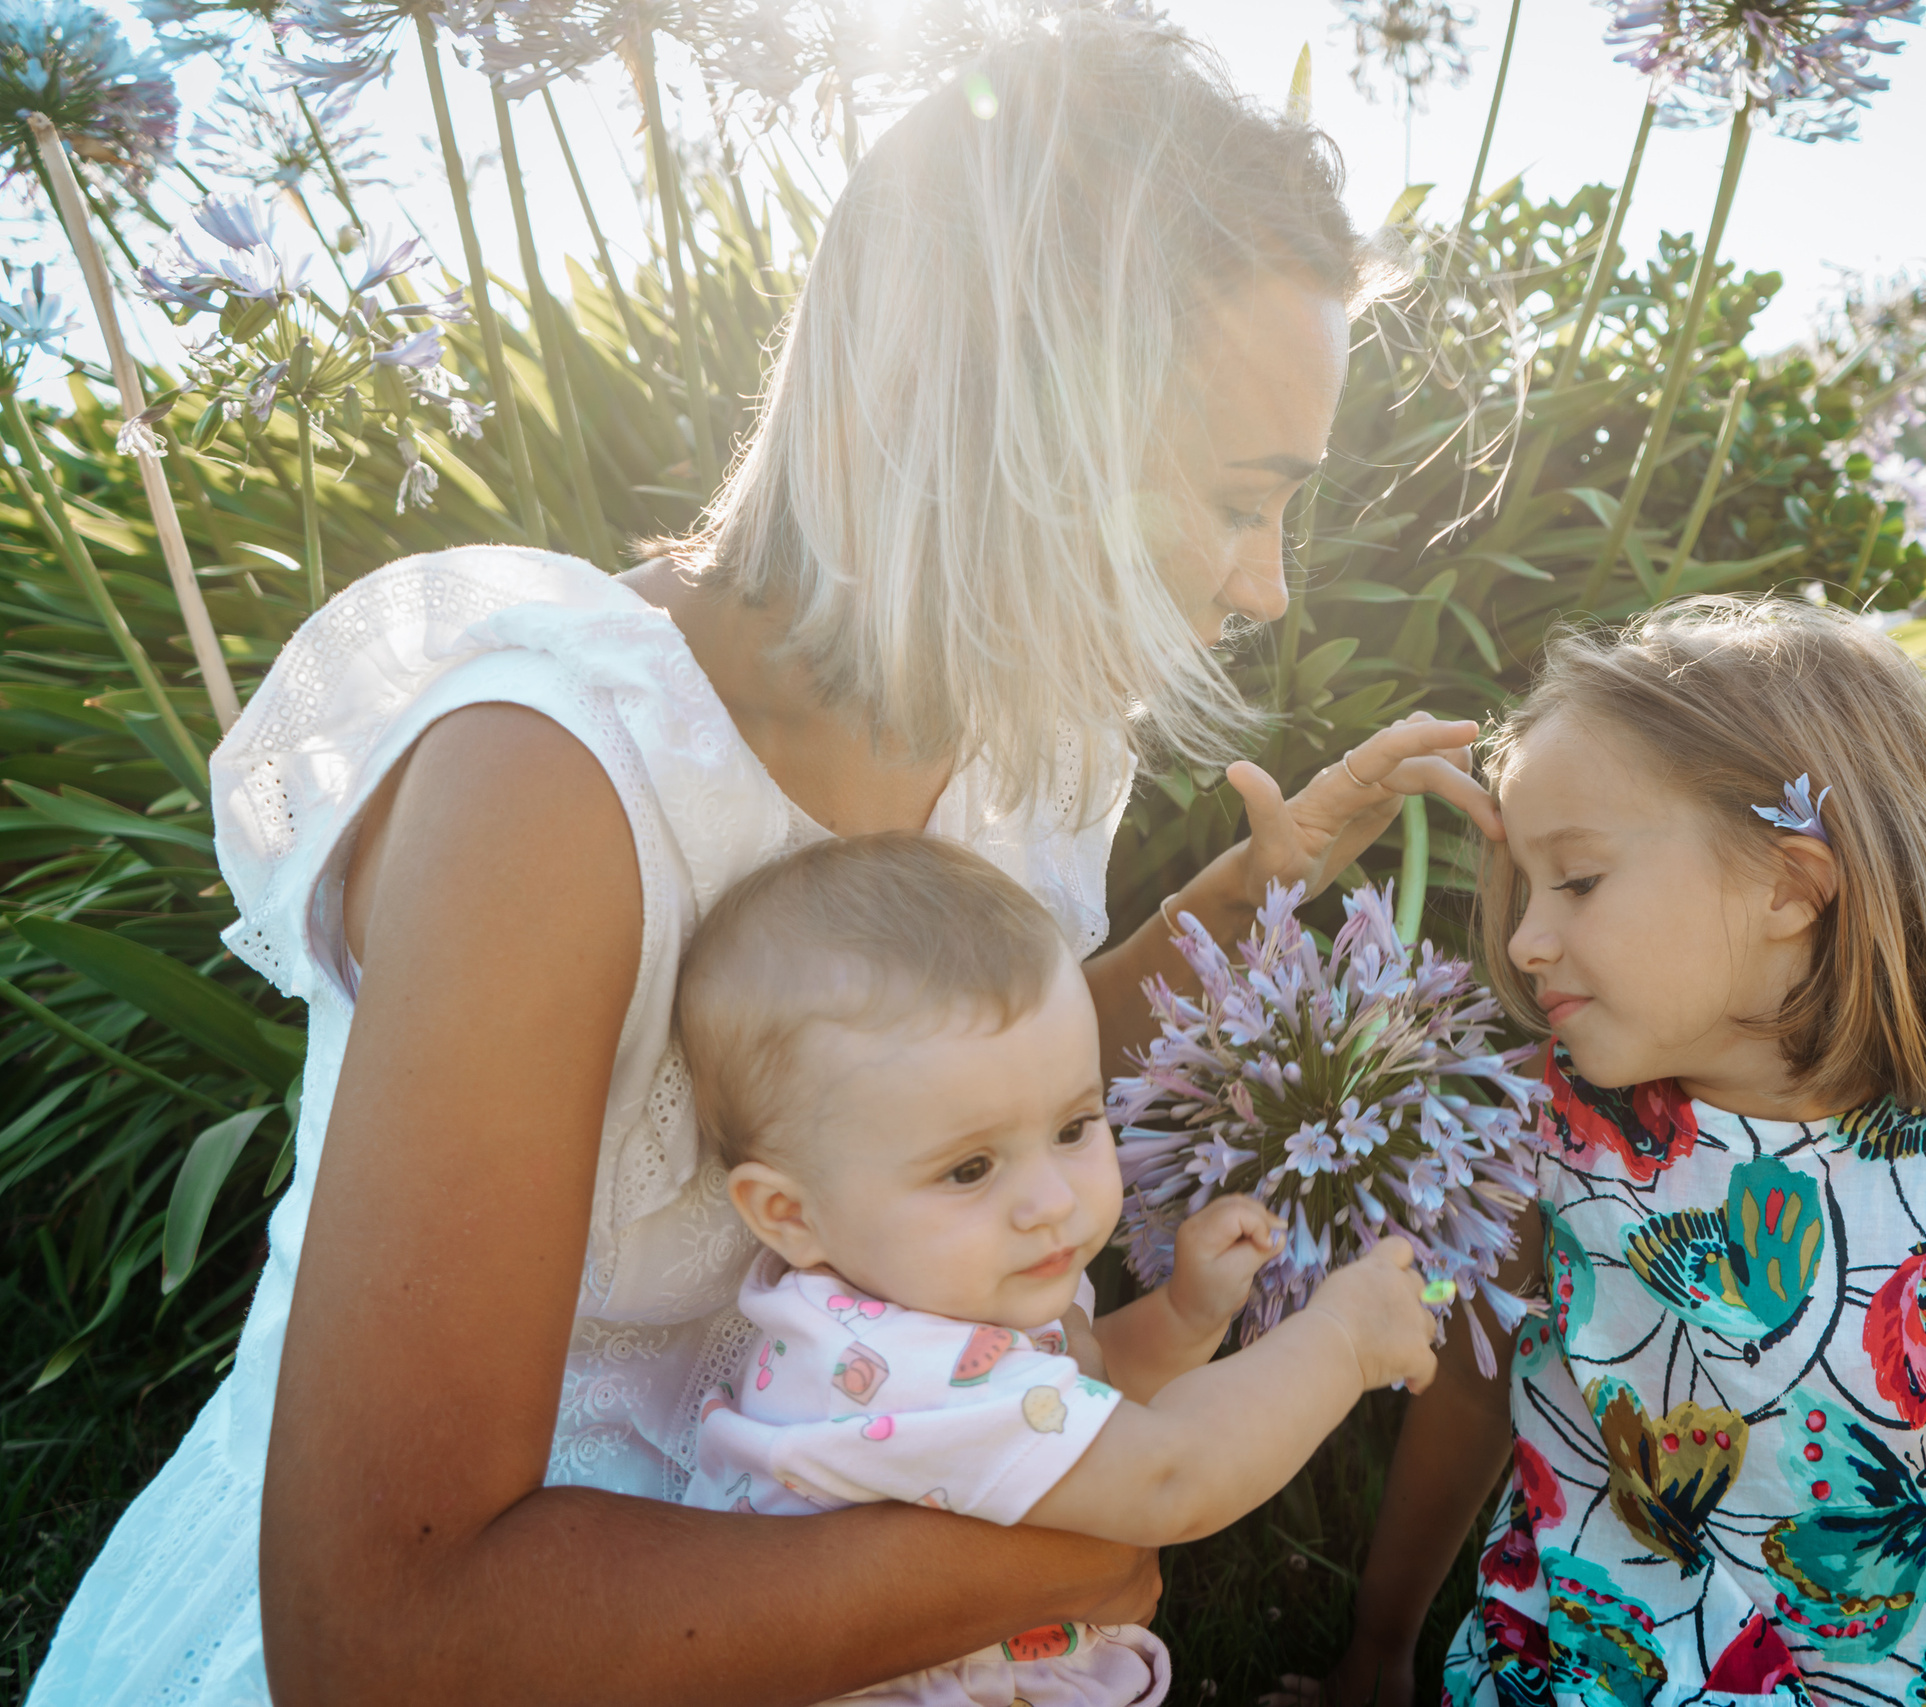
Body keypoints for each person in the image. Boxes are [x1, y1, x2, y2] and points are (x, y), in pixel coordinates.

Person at [34, 16, 1497, 1706]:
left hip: (815, 1543)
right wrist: (1066, 1547)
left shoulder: (1034, 729)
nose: (1262, 586)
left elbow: (902, 1094)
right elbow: (384, 1636)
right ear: (1000, 418)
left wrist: (1233, 907)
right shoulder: (561, 775)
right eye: (1243, 497)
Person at [1299, 598, 1926, 1706]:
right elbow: (1471, 1398)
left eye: (1576, 881)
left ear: (1789, 885)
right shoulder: (1544, 1127)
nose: (1525, 939)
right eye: (1524, 890)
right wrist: (1379, 1650)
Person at [671, 831, 1440, 1707]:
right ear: (789, 1213)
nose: (1050, 1199)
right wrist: (1344, 1339)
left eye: (1075, 1127)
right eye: (970, 1168)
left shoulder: (871, 1307)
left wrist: (1181, 1318)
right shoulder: (904, 1374)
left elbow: (1061, 1384)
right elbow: (1169, 1473)